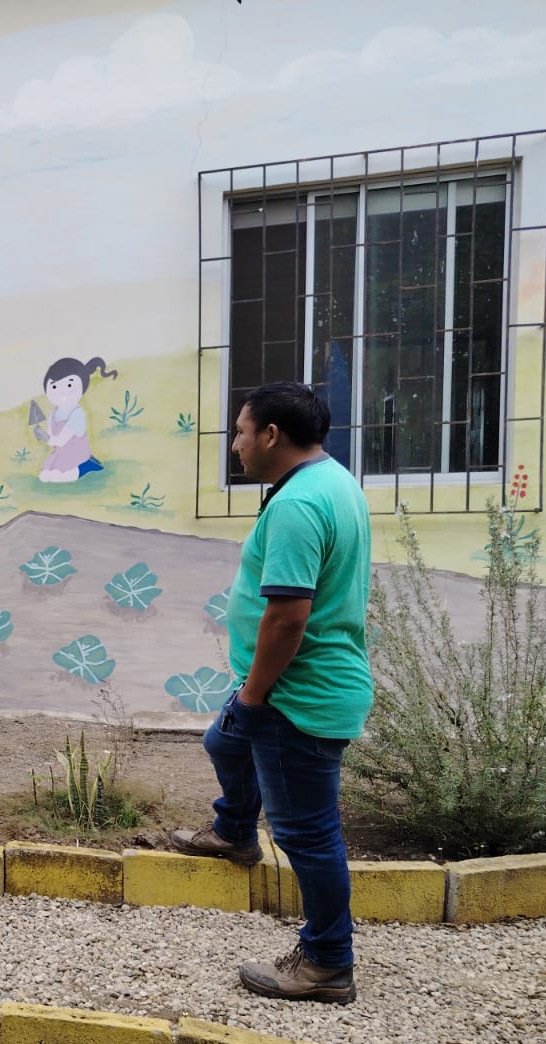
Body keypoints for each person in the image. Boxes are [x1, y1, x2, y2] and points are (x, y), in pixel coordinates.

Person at [169, 381, 372, 1004]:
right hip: (299, 686)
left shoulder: (298, 505)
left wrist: (254, 696)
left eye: (240, 431)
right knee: (223, 742)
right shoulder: (332, 481)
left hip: (294, 696)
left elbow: (287, 618)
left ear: (271, 435)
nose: (235, 445)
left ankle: (327, 962)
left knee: (308, 835)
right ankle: (234, 830)